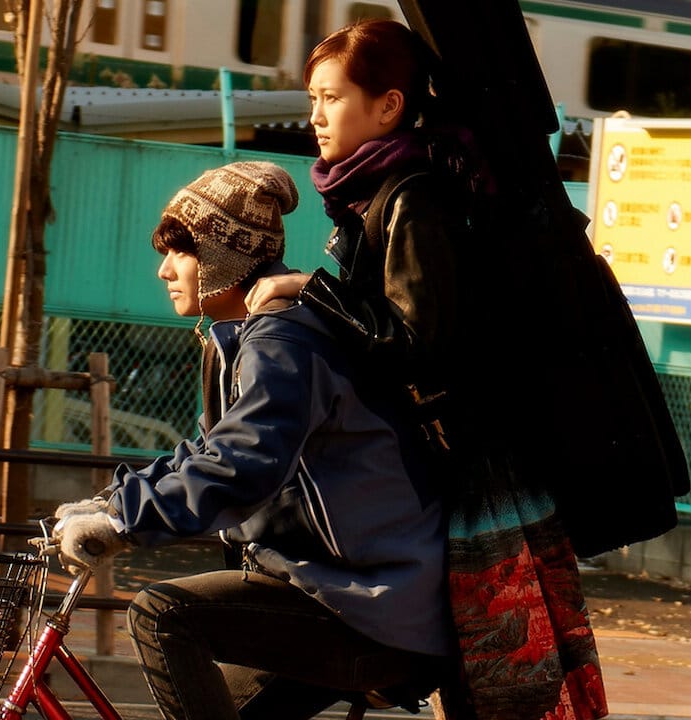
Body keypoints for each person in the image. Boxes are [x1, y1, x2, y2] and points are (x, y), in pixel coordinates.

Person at [243, 20, 610, 720]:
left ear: (387, 106)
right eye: (313, 98)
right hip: (439, 476)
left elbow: (416, 340)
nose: (315, 116)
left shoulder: (413, 197)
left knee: (498, 684)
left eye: (331, 97)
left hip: (472, 484)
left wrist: (307, 289)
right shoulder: (375, 191)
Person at [46, 160, 453, 720]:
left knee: (161, 614)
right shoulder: (240, 338)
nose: (164, 270)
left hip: (372, 606)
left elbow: (245, 462)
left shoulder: (282, 340)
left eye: (179, 252)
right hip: (334, 592)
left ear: (222, 257)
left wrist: (123, 523)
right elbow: (209, 452)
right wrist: (115, 502)